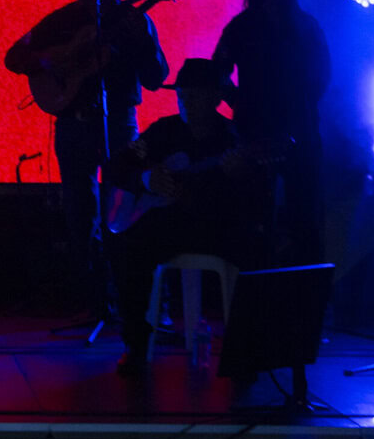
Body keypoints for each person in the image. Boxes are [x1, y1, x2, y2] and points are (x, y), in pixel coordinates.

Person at [4, 0, 169, 321]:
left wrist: (143, 42)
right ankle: (93, 300)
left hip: (119, 123)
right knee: (80, 214)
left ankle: (128, 296)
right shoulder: (61, 21)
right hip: (73, 123)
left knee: (122, 209)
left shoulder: (131, 18)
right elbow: (14, 57)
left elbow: (156, 78)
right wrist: (54, 59)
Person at [104, 58, 262, 373]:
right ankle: (135, 343)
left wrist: (241, 176)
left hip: (217, 225)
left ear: (215, 98)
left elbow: (254, 196)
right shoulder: (163, 131)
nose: (187, 102)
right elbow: (115, 167)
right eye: (182, 95)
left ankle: (246, 348)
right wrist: (146, 179)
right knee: (130, 248)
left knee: (256, 249)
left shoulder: (233, 138)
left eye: (195, 95)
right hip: (170, 223)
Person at [210, 0, 330, 265]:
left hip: (300, 132)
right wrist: (241, 103)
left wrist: (298, 109)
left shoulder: (307, 26)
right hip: (255, 133)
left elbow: (322, 75)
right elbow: (217, 73)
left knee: (305, 216)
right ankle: (258, 286)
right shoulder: (240, 28)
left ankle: (308, 285)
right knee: (254, 217)